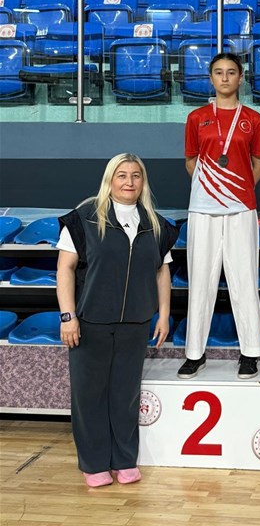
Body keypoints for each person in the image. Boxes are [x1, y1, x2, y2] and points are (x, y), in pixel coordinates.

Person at [56, 153, 178, 488]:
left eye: (136, 175)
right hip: (90, 322)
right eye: (121, 175)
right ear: (110, 179)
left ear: (143, 181)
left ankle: (124, 460)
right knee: (89, 396)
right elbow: (65, 269)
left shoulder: (156, 225)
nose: (129, 181)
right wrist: (68, 316)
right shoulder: (84, 218)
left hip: (135, 323)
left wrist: (163, 314)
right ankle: (94, 464)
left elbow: (162, 272)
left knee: (125, 397)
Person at [178, 52, 260, 381]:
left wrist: (236, 191)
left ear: (240, 78)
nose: (225, 78)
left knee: (244, 279)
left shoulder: (253, 119)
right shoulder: (196, 117)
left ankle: (250, 353)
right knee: (200, 279)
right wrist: (213, 190)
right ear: (211, 78)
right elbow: (191, 162)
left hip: (241, 208)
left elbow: (259, 164)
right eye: (219, 72)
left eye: (231, 72)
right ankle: (194, 354)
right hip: (203, 208)